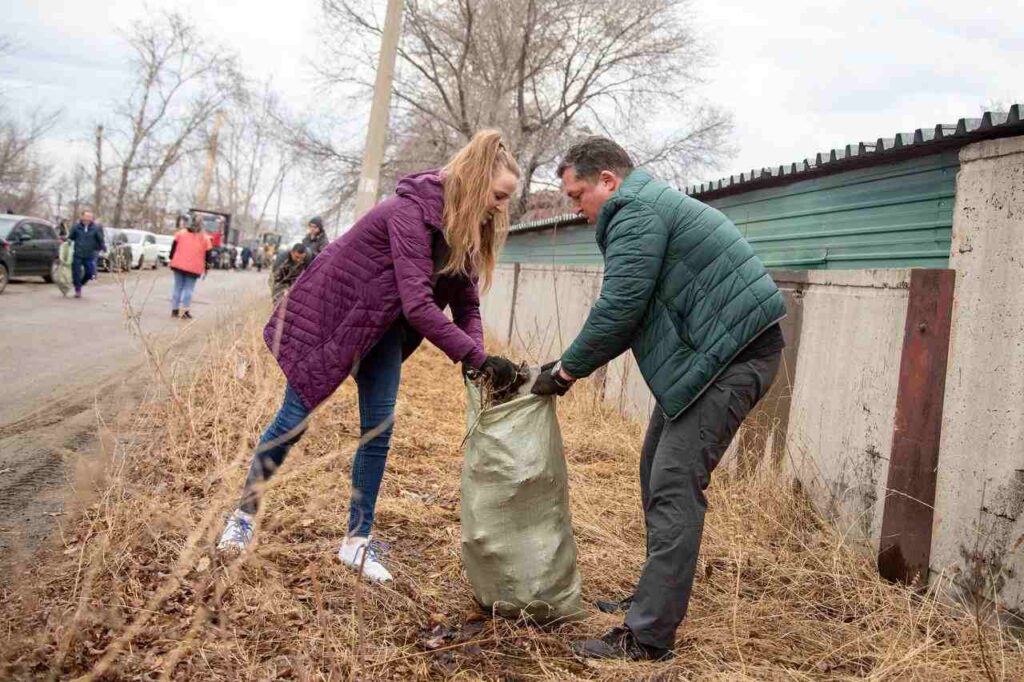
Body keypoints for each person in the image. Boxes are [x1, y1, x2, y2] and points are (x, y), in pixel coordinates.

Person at [216, 130, 522, 584]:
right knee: (292, 421)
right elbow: (419, 303)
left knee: (378, 429)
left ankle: (356, 542)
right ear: (477, 181)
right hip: (332, 323)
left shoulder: (465, 228)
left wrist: (477, 359)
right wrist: (474, 358)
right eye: (498, 195)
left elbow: (467, 304)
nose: (500, 206)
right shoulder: (409, 212)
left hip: (383, 333)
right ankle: (242, 518)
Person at [531, 137, 787, 661]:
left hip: (733, 357)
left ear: (608, 181)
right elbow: (633, 307)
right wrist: (567, 365)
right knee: (655, 468)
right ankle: (652, 598)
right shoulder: (644, 205)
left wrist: (565, 371)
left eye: (578, 196)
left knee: (673, 483)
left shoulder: (633, 210)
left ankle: (647, 637)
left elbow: (622, 306)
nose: (578, 211)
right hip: (714, 357)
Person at [169, 215, 211, 319]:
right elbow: (208, 256)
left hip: (178, 264)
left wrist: (171, 259)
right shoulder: (205, 238)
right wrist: (207, 268)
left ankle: (174, 310)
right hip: (194, 268)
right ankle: (184, 312)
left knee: (177, 287)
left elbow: (173, 249)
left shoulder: (180, 234)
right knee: (188, 289)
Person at [67, 209, 106, 298]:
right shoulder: (76, 227)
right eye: (87, 216)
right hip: (78, 254)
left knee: (90, 273)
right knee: (76, 273)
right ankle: (78, 290)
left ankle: (81, 283)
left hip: (89, 254)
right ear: (82, 217)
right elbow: (71, 237)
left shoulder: (95, 228)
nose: (88, 218)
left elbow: (100, 239)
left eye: (90, 217)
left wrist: (103, 247)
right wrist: (67, 241)